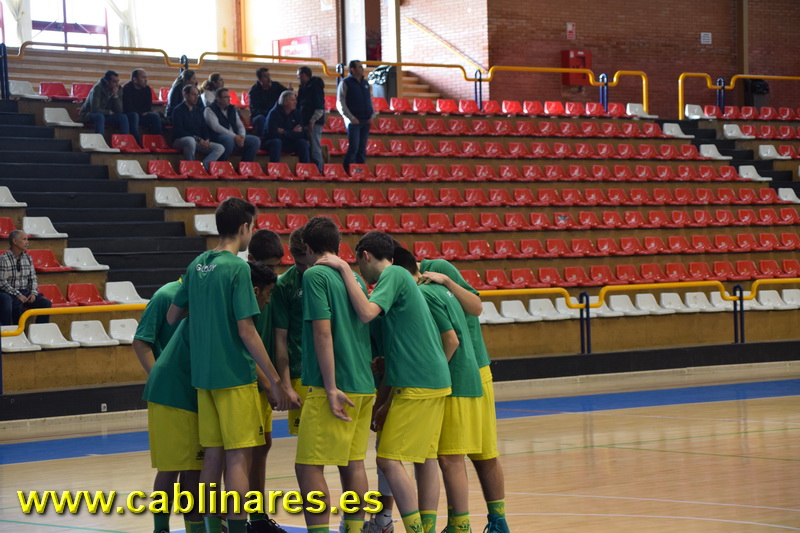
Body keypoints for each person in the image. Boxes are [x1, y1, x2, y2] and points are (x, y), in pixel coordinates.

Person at [166, 198, 297, 533]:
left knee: (213, 456)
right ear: (244, 228)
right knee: (239, 457)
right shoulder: (237, 268)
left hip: (204, 377)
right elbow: (247, 330)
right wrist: (274, 379)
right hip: (235, 376)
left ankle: (213, 529)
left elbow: (173, 315)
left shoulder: (197, 265)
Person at [317, 231, 452, 533]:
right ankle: (425, 529)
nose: (358, 269)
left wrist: (343, 269)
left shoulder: (393, 274)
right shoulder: (400, 280)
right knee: (426, 458)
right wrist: (387, 401)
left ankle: (415, 529)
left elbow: (366, 313)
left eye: (356, 262)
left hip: (419, 381)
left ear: (365, 256)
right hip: (430, 379)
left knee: (388, 460)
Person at [393, 247, 482, 533]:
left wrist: (434, 372)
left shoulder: (424, 294)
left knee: (449, 458)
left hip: (454, 381)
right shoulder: (435, 288)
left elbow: (451, 341)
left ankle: (461, 527)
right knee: (441, 457)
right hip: (460, 378)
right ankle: (453, 525)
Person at [295, 216, 375, 533]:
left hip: (334, 384)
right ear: (338, 245)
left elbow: (322, 332)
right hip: (362, 382)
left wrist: (330, 387)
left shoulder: (315, 275)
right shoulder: (352, 276)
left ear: (308, 247)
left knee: (308, 467)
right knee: (353, 464)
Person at [418, 259, 510, 533]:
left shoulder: (437, 267)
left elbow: (477, 307)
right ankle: (489, 522)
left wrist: (447, 281)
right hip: (472, 370)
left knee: (457, 455)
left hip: (464, 371)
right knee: (475, 454)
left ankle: (472, 524)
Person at [133, 279, 204, 533]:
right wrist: (160, 378)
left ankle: (194, 527)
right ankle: (161, 528)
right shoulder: (165, 295)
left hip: (196, 391)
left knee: (194, 469)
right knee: (171, 468)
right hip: (172, 393)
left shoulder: (206, 294)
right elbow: (141, 341)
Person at [246, 229, 291, 533]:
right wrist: (269, 382)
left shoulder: (271, 290)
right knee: (236, 453)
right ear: (251, 259)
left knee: (262, 445)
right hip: (246, 380)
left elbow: (276, 338)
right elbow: (243, 343)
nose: (273, 272)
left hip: (263, 379)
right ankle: (227, 518)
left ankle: (258, 516)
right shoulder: (244, 290)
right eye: (268, 265)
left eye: (277, 266)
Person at [271, 228, 311, 437]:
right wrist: (286, 384)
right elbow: (280, 338)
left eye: (309, 263)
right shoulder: (285, 285)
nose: (306, 269)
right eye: (300, 264)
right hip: (300, 373)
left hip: (334, 373)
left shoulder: (336, 277)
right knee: (306, 439)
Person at [0, 231, 51, 326]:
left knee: (45, 303)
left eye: (27, 239)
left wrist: (33, 293)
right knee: (16, 304)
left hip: (25, 292)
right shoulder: (3, 259)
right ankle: (16, 331)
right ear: (15, 241)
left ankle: (39, 331)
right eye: (24, 239)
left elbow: (33, 278)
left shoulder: (28, 258)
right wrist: (18, 294)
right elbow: (2, 282)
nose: (27, 242)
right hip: (10, 294)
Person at [171, 85, 225, 169]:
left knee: (220, 148)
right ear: (185, 95)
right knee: (190, 140)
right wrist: (197, 139)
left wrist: (207, 139)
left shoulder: (198, 111)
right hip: (181, 140)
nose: (196, 97)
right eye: (193, 94)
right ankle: (190, 167)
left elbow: (204, 128)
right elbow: (179, 131)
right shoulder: (177, 110)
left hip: (198, 141)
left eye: (197, 95)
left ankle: (203, 167)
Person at [336, 60, 375, 172]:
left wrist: (372, 115)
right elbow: (340, 102)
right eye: (360, 67)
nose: (362, 69)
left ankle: (360, 171)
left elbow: (370, 100)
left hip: (366, 120)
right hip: (354, 121)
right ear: (353, 69)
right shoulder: (345, 83)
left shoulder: (365, 83)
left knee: (362, 149)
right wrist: (350, 117)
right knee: (354, 147)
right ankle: (347, 171)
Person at [78, 70, 138, 140]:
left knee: (123, 117)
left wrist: (115, 96)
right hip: (88, 114)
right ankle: (100, 141)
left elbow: (119, 111)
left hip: (106, 115)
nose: (117, 84)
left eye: (118, 81)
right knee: (100, 116)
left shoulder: (118, 89)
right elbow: (95, 109)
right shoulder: (97, 88)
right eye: (114, 82)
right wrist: (109, 112)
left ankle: (126, 141)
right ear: (107, 81)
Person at [204, 87, 260, 162]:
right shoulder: (209, 109)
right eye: (226, 97)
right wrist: (234, 136)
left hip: (235, 137)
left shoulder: (232, 109)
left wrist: (242, 137)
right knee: (228, 140)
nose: (229, 99)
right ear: (218, 99)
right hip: (217, 137)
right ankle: (221, 164)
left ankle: (244, 166)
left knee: (255, 141)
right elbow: (216, 127)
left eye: (229, 97)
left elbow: (240, 125)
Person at [263, 91, 310, 164]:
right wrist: (292, 132)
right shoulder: (273, 113)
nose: (295, 102)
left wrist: (284, 132)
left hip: (289, 141)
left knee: (303, 143)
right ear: (285, 102)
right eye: (292, 100)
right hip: (272, 142)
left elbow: (302, 134)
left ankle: (306, 168)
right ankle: (275, 168)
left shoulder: (297, 113)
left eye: (295, 100)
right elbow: (273, 134)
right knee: (277, 142)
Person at [296, 66, 326, 172]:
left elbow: (319, 107)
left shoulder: (315, 87)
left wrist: (312, 121)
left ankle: (318, 171)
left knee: (315, 149)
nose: (298, 78)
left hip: (313, 123)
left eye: (298, 76)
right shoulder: (304, 87)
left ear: (304, 75)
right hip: (306, 121)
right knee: (311, 148)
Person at [121, 68, 162, 139]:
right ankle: (135, 141)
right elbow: (128, 107)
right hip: (130, 115)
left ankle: (157, 140)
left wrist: (142, 112)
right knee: (134, 115)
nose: (146, 80)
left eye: (146, 77)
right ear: (135, 79)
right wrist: (141, 112)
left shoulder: (147, 89)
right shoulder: (126, 88)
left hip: (142, 115)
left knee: (155, 116)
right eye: (143, 77)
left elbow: (148, 106)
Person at [249, 67, 288, 139]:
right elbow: (254, 110)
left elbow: (286, 93)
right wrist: (269, 113)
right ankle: (264, 140)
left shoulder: (276, 86)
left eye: (269, 75)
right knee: (260, 119)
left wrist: (290, 91)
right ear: (260, 79)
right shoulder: (254, 91)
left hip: (274, 114)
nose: (268, 78)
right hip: (261, 115)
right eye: (265, 76)